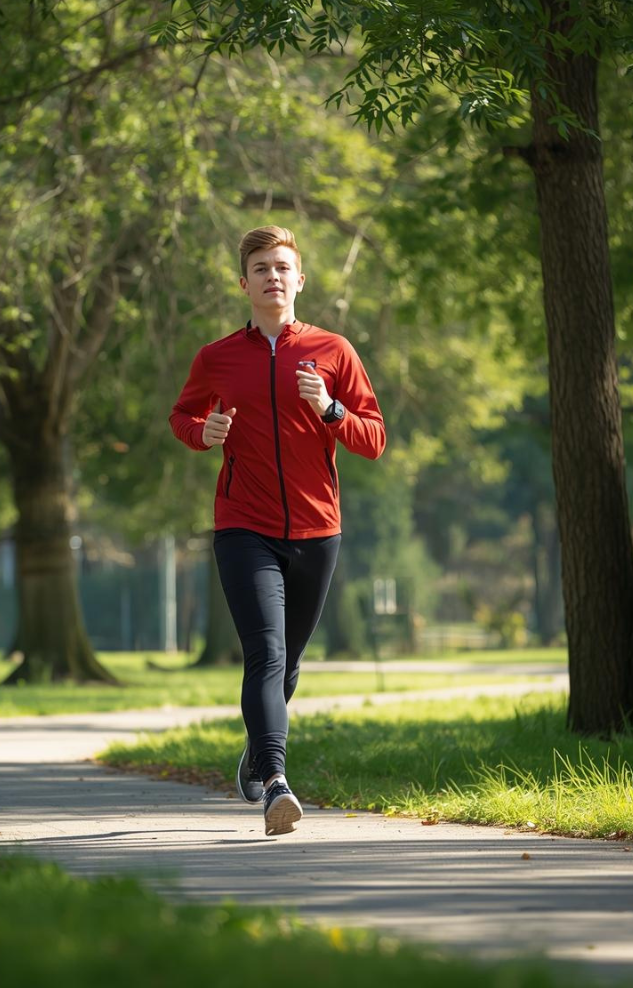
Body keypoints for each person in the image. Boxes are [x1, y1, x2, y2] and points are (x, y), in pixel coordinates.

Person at [169, 225, 386, 836]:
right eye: (261, 267)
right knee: (264, 653)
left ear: (300, 279)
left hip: (318, 529)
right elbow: (182, 415)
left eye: (282, 266)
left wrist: (331, 409)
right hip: (244, 526)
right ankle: (277, 783)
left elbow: (374, 439)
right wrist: (201, 433)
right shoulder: (217, 357)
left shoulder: (333, 350)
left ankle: (257, 751)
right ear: (245, 284)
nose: (273, 276)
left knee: (286, 664)